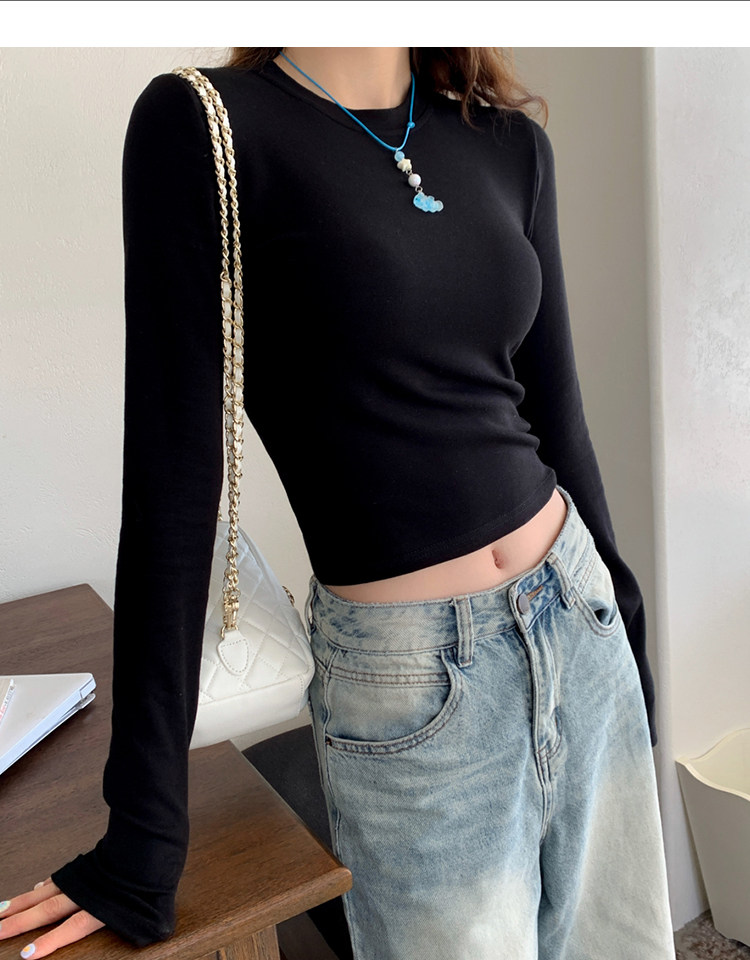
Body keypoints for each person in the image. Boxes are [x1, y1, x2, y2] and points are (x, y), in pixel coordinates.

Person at [0, 47, 675, 959]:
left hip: (579, 629)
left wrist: (629, 648)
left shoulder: (508, 141)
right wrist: (142, 840)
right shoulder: (204, 126)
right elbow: (172, 486)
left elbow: (559, 422)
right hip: (414, 688)